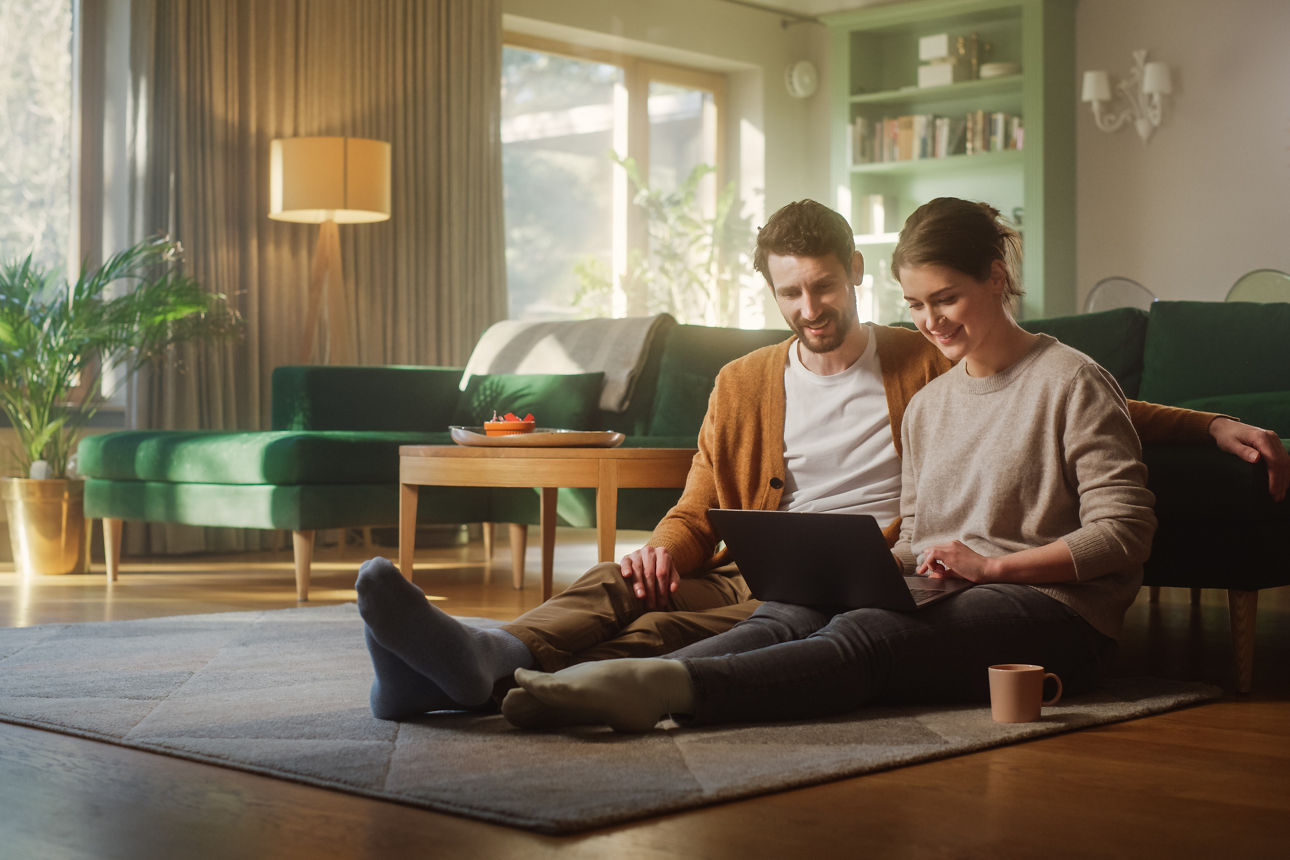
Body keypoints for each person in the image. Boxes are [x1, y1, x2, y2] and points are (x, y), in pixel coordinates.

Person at [355, 199, 1289, 721]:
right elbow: (698, 506)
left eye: (825, 286)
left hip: (892, 574)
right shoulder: (754, 384)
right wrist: (666, 553)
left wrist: (1206, 423)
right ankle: (482, 660)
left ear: (853, 277)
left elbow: (1084, 402)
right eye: (790, 293)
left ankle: (547, 689)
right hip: (781, 570)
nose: (810, 307)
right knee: (626, 586)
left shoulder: (924, 363)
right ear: (773, 294)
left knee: (738, 636)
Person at [500, 197, 1162, 732]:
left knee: (865, 632)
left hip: (1053, 607)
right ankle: (583, 682)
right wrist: (874, 564)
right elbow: (927, 531)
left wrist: (991, 567)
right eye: (917, 305)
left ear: (996, 277)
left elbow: (1124, 533)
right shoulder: (932, 403)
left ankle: (667, 688)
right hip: (955, 589)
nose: (932, 322)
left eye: (947, 299)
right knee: (791, 614)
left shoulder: (1070, 379)